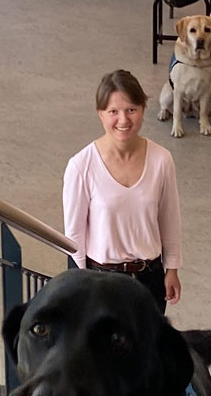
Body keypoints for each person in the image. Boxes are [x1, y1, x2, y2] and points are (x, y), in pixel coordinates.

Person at [63, 70, 183, 312]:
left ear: (143, 108)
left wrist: (171, 270)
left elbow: (169, 218)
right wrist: (80, 288)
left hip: (149, 278)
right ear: (100, 114)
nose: (123, 120)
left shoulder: (162, 160)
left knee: (148, 349)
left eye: (131, 109)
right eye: (113, 112)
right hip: (100, 280)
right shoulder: (81, 165)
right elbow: (73, 237)